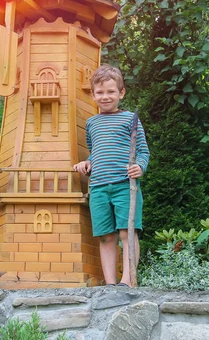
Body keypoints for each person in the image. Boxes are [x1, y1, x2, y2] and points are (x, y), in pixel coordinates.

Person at [73, 65, 149, 287]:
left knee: (127, 233)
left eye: (111, 92)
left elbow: (143, 151)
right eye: (100, 92)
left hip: (125, 185)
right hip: (98, 187)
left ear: (121, 93)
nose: (105, 97)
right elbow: (96, 152)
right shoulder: (91, 123)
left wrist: (140, 167)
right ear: (93, 94)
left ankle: (128, 281)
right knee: (106, 236)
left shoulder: (130, 120)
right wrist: (88, 162)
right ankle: (110, 284)